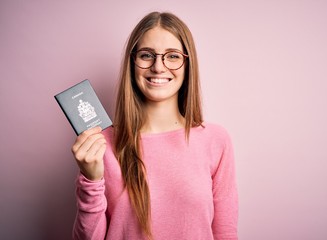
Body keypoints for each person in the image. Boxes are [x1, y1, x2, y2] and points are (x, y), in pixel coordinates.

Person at [71, 11, 238, 240]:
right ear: (133, 62)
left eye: (172, 56)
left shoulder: (216, 140)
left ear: (188, 64)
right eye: (147, 55)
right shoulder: (102, 144)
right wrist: (90, 179)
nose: (158, 67)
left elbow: (225, 233)